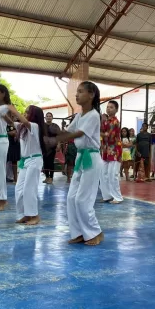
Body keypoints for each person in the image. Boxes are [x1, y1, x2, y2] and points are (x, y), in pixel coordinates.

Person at [48, 81, 104, 246]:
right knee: (71, 198)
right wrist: (52, 130)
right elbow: (69, 131)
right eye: (77, 91)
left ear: (91, 95)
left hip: (91, 159)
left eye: (80, 91)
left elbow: (78, 133)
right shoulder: (79, 115)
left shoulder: (94, 115)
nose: (76, 94)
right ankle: (79, 232)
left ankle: (95, 232)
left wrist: (56, 139)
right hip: (81, 158)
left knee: (82, 199)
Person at [10, 105, 46, 225]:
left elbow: (24, 121)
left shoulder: (35, 126)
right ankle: (24, 214)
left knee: (29, 189)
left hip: (34, 160)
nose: (24, 114)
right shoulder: (23, 127)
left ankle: (34, 215)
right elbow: (9, 121)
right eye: (24, 112)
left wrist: (14, 110)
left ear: (34, 116)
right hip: (25, 161)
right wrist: (2, 110)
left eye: (27, 112)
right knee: (19, 188)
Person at [99, 100, 123, 204]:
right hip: (105, 150)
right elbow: (101, 131)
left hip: (115, 150)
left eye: (111, 107)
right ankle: (107, 196)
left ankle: (117, 197)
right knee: (103, 174)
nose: (108, 108)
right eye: (107, 107)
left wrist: (98, 131)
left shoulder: (115, 121)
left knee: (113, 174)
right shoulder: (105, 120)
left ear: (116, 110)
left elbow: (108, 135)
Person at [43, 112, 61, 184]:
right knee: (45, 162)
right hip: (44, 147)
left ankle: (51, 178)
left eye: (50, 116)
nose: (48, 117)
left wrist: (59, 144)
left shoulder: (55, 126)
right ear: (45, 117)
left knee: (50, 162)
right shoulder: (42, 126)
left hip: (52, 147)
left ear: (52, 117)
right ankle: (47, 177)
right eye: (47, 116)